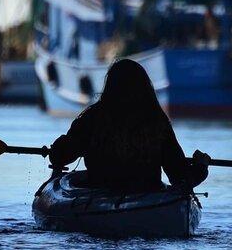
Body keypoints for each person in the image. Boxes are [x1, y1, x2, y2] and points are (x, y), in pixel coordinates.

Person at [49, 59, 209, 191]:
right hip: (147, 198)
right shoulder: (156, 121)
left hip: (99, 195)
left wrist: (56, 153)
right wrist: (201, 167)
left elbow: (60, 155)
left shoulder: (92, 117)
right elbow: (180, 177)